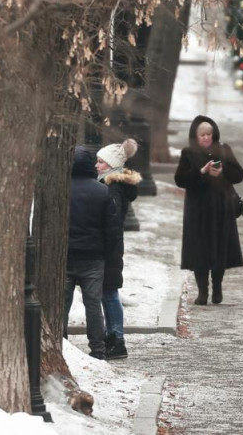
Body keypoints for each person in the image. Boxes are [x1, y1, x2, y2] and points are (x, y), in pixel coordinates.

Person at [174, 116, 243, 305]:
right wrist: (202, 172)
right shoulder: (188, 153)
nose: (206, 138)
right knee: (200, 251)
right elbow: (180, 180)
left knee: (219, 249)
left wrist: (223, 172)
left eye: (209, 134)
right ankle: (202, 292)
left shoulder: (223, 149)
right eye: (202, 135)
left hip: (221, 207)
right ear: (195, 136)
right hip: (197, 210)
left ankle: (218, 288)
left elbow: (239, 175)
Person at [66, 146, 121, 360]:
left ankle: (61, 342)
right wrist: (106, 252)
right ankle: (98, 348)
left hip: (67, 256)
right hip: (93, 257)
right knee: (93, 305)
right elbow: (113, 229)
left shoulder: (62, 188)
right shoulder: (102, 191)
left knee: (62, 304)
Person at [96, 138, 141, 360]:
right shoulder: (111, 185)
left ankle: (116, 339)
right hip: (112, 247)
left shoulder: (112, 189)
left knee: (110, 293)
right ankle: (112, 337)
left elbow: (112, 223)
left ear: (112, 165)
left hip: (109, 249)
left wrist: (104, 246)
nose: (97, 165)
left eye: (101, 162)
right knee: (108, 293)